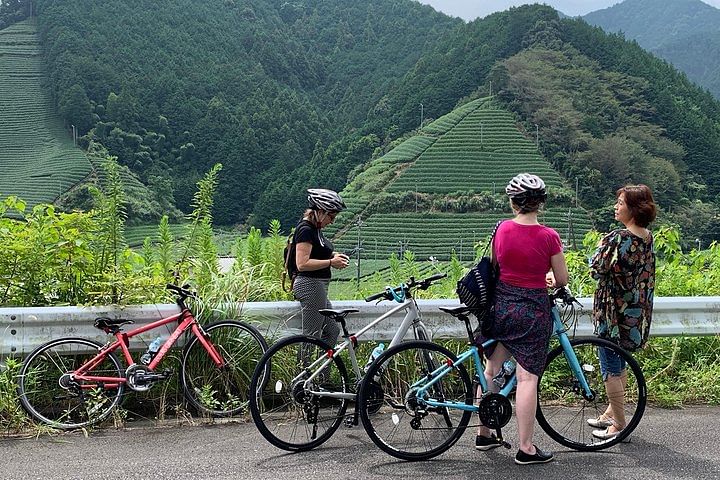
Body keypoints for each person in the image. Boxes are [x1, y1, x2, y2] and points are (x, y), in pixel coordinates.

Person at [475, 173, 568, 465]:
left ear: (514, 202)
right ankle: (526, 448)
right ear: (540, 203)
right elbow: (561, 279)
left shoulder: (501, 229)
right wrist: (549, 278)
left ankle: (484, 433)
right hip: (532, 313)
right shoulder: (549, 236)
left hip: (501, 309)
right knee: (527, 378)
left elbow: (498, 265)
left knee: (490, 370)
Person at [588, 184, 656, 440]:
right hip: (634, 312)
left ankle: (619, 424)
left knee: (609, 367)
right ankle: (610, 413)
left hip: (612, 312)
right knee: (620, 361)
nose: (616, 206)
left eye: (620, 202)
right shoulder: (647, 237)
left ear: (634, 208)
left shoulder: (618, 238)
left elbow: (595, 267)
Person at [293, 188, 350, 347]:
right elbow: (302, 264)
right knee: (311, 337)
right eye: (331, 216)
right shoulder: (306, 230)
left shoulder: (315, 230)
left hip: (318, 287)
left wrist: (332, 256)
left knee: (332, 331)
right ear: (321, 211)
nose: (332, 221)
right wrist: (331, 262)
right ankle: (304, 371)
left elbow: (316, 253)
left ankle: (322, 372)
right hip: (310, 285)